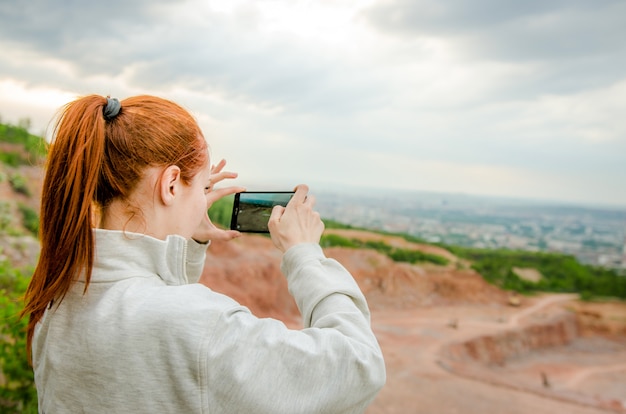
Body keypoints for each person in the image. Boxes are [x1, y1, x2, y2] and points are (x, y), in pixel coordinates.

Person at [21, 94, 386, 413]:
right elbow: (358, 365)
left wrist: (185, 237)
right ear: (170, 184)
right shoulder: (198, 326)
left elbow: (156, 334)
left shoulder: (59, 299)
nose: (204, 198)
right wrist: (305, 254)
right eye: (200, 185)